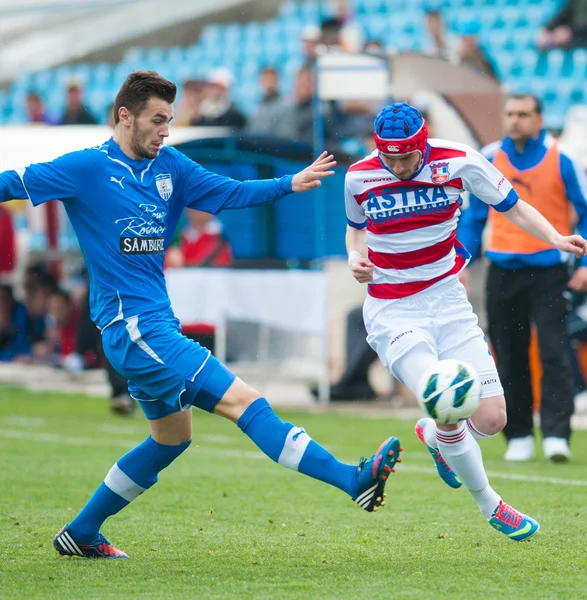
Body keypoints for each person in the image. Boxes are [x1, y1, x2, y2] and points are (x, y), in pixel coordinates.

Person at [0, 70, 400, 559]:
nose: (165, 130)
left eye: (169, 120)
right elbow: (11, 183)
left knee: (171, 439)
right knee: (245, 402)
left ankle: (82, 531)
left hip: (156, 325)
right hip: (133, 329)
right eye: (156, 120)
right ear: (124, 117)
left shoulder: (171, 166)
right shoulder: (84, 168)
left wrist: (289, 183)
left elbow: (230, 192)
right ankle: (351, 479)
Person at [345, 101, 587, 541]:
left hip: (448, 302)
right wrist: (353, 257)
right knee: (445, 398)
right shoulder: (359, 175)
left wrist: (554, 237)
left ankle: (437, 437)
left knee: (494, 418)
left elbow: (512, 207)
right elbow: (355, 228)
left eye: (406, 156)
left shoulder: (460, 160)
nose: (397, 166)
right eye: (389, 156)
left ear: (423, 143)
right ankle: (491, 504)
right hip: (393, 307)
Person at [458, 94, 587, 463]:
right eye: (509, 113)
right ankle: (518, 433)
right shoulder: (488, 157)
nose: (515, 120)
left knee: (555, 351)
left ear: (540, 119)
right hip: (501, 271)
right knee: (508, 354)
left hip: (549, 271)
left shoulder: (562, 159)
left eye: (523, 114)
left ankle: (556, 435)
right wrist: (459, 265)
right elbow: (472, 219)